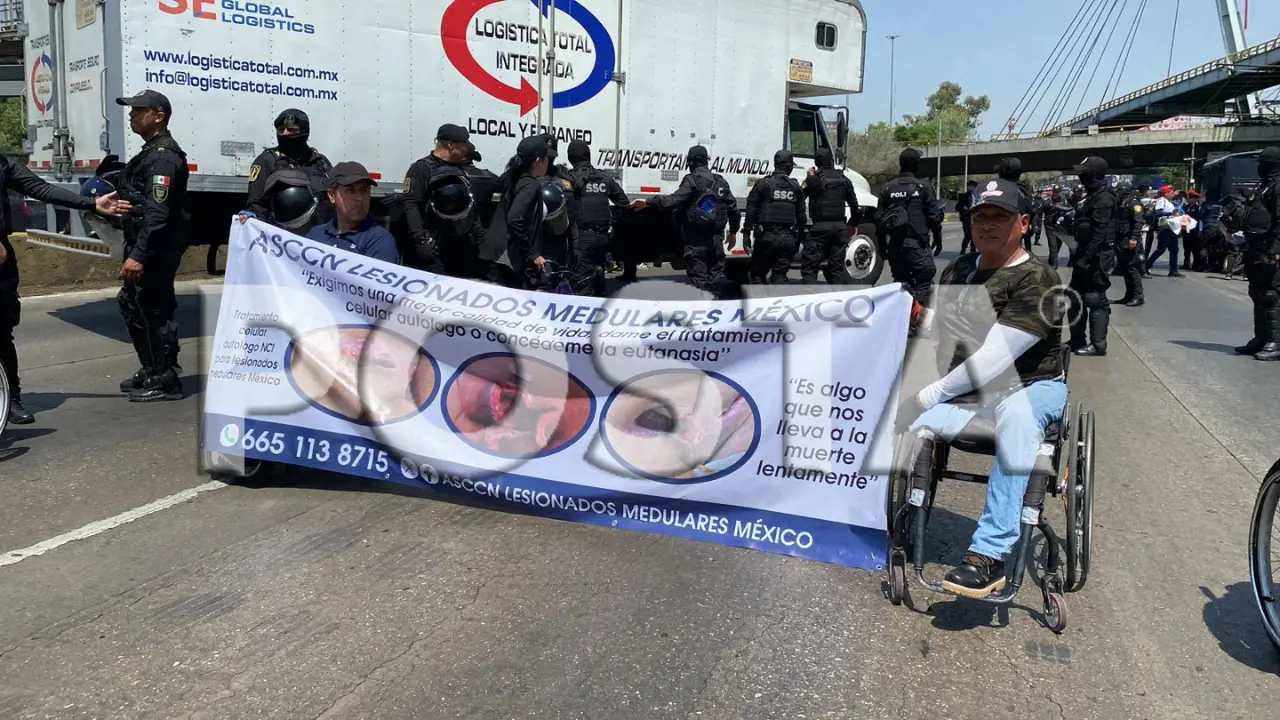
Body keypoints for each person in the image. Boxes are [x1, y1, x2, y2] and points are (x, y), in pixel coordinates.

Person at [896, 176, 1067, 599]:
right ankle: (900, 514)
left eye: (1000, 217)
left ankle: (988, 555)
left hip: (1031, 386)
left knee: (1016, 416)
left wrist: (927, 396)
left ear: (1023, 223)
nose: (987, 225)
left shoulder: (1039, 279)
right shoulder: (959, 270)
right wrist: (917, 316)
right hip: (971, 396)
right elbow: (949, 330)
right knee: (896, 421)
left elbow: (994, 359)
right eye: (980, 217)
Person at [0, 155, 130, 422]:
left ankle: (10, 397)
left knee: (1, 332)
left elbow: (42, 189)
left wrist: (91, 204)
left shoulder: (4, 164)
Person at [113, 89, 190, 402]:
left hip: (156, 247)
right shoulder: (149, 152)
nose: (132, 115)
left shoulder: (163, 157)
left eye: (139, 110)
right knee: (132, 303)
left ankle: (166, 378)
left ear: (159, 116)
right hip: (143, 243)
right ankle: (152, 368)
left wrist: (139, 256)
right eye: (132, 110)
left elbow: (158, 214)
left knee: (155, 308)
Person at [630, 146, 741, 297]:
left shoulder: (692, 181)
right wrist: (733, 232)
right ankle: (714, 314)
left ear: (691, 162)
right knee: (714, 284)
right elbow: (734, 210)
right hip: (716, 242)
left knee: (699, 285)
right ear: (706, 161)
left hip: (696, 242)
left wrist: (648, 202)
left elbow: (672, 201)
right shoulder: (721, 182)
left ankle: (702, 316)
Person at [401, 123, 484, 277]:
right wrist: (421, 242)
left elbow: (469, 204)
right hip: (434, 247)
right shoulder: (421, 169)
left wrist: (478, 234)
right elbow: (411, 205)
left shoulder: (460, 170)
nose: (467, 148)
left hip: (458, 246)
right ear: (451, 145)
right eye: (464, 144)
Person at [480, 135, 550, 288]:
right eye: (547, 159)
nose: (548, 163)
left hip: (493, 253)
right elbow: (514, 219)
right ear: (538, 160)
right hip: (506, 258)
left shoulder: (513, 177)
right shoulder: (531, 185)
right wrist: (533, 254)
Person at [878, 148, 940, 307]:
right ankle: (916, 324)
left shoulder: (887, 188)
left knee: (901, 284)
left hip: (895, 247)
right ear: (917, 165)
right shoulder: (924, 187)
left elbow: (879, 220)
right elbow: (933, 217)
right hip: (916, 245)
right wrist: (938, 239)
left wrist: (882, 247)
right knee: (924, 284)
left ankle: (902, 321)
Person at [566, 139, 628, 296]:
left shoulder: (569, 179)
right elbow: (624, 203)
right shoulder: (604, 178)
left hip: (582, 239)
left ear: (570, 158)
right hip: (603, 238)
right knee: (598, 279)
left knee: (582, 284)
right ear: (588, 156)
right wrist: (612, 224)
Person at [1068, 157, 1117, 357]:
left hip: (1097, 256)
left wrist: (1088, 257)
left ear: (1094, 175)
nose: (1081, 177)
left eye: (1084, 173)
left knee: (1095, 298)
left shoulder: (1104, 198)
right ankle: (1077, 339)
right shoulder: (1092, 195)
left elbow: (1100, 231)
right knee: (1074, 297)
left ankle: (1098, 345)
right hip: (1085, 252)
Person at [305, 162, 399, 264]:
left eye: (364, 190)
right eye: (350, 190)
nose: (360, 197)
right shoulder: (315, 234)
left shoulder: (379, 240)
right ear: (332, 195)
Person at [245, 109, 332, 218]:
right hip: (284, 232)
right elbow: (257, 205)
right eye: (281, 130)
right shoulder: (268, 160)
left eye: (291, 130)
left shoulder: (321, 162)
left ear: (305, 131)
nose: (285, 134)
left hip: (319, 231)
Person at [1236, 146, 1280, 361]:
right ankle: (1260, 339)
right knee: (1257, 292)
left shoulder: (1278, 187)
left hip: (1271, 247)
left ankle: (1275, 342)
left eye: (1263, 163)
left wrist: (1275, 250)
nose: (1260, 167)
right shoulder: (1264, 186)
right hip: (1256, 245)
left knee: (1272, 295)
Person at [743, 150, 805, 285]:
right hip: (787, 239)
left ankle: (759, 304)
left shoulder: (763, 184)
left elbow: (751, 210)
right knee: (779, 277)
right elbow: (802, 218)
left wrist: (746, 233)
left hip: (766, 238)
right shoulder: (795, 187)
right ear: (789, 167)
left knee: (757, 276)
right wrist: (797, 240)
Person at [802, 148, 861, 284]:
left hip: (820, 229)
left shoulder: (814, 179)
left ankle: (809, 300)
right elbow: (854, 205)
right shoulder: (844, 179)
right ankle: (838, 301)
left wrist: (808, 178)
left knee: (810, 269)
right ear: (832, 160)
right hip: (840, 228)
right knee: (836, 269)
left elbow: (800, 194)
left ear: (816, 162)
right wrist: (853, 224)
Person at [1114, 181, 1145, 307]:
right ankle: (1129, 295)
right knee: (1125, 268)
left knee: (1132, 268)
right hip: (1121, 239)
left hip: (1129, 239)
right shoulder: (1122, 202)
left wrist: (1134, 238)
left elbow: (1138, 223)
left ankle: (1139, 295)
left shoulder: (1135, 203)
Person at [1146, 184, 1184, 278]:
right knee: (1161, 250)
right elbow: (1158, 213)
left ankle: (1173, 270)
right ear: (1165, 193)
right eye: (1171, 193)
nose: (1172, 194)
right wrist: (1171, 212)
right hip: (1165, 229)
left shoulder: (1170, 202)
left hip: (1172, 228)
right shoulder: (1161, 201)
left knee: (1174, 250)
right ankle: (1146, 265)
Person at [956, 180, 978, 255]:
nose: (971, 188)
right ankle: (963, 250)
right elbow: (957, 207)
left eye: (973, 186)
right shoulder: (963, 196)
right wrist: (963, 208)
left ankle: (973, 251)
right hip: (966, 219)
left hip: (976, 219)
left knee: (975, 236)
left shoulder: (978, 196)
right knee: (968, 236)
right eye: (969, 186)